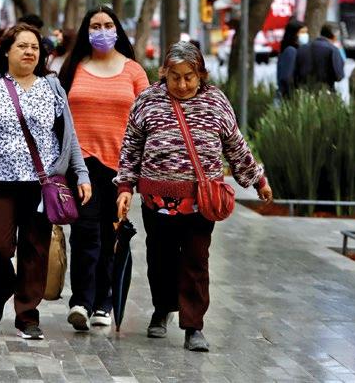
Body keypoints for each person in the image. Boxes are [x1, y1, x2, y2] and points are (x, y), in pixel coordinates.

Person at [115, 42, 273, 352]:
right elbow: (131, 147)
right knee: (159, 259)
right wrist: (124, 188)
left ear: (201, 74)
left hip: (201, 200)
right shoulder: (147, 100)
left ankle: (193, 325)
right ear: (165, 73)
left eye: (189, 77)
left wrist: (258, 180)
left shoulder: (216, 101)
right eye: (175, 77)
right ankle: (162, 309)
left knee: (196, 261)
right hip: (156, 200)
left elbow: (235, 145)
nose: (183, 84)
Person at [0, 23, 92, 340]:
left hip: (41, 184)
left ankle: (27, 316)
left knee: (35, 250)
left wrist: (81, 174)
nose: (30, 52)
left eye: (35, 47)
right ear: (6, 50)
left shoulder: (52, 87)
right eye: (22, 46)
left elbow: (68, 136)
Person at [58, 5, 149, 331]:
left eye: (108, 25)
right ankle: (81, 301)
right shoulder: (73, 68)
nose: (101, 31)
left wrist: (140, 170)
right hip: (80, 164)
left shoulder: (134, 71)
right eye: (95, 25)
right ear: (86, 31)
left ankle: (104, 302)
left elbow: (147, 120)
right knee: (84, 232)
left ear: (117, 29)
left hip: (120, 168)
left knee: (110, 234)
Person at [294, 23, 345, 92]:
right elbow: (339, 76)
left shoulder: (302, 49)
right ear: (335, 36)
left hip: (304, 92)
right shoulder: (333, 50)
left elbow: (295, 73)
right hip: (325, 92)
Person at [276, 18, 307, 98]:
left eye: (306, 32)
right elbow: (287, 77)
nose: (305, 35)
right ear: (294, 34)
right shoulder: (291, 51)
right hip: (288, 96)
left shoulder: (291, 50)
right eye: (302, 32)